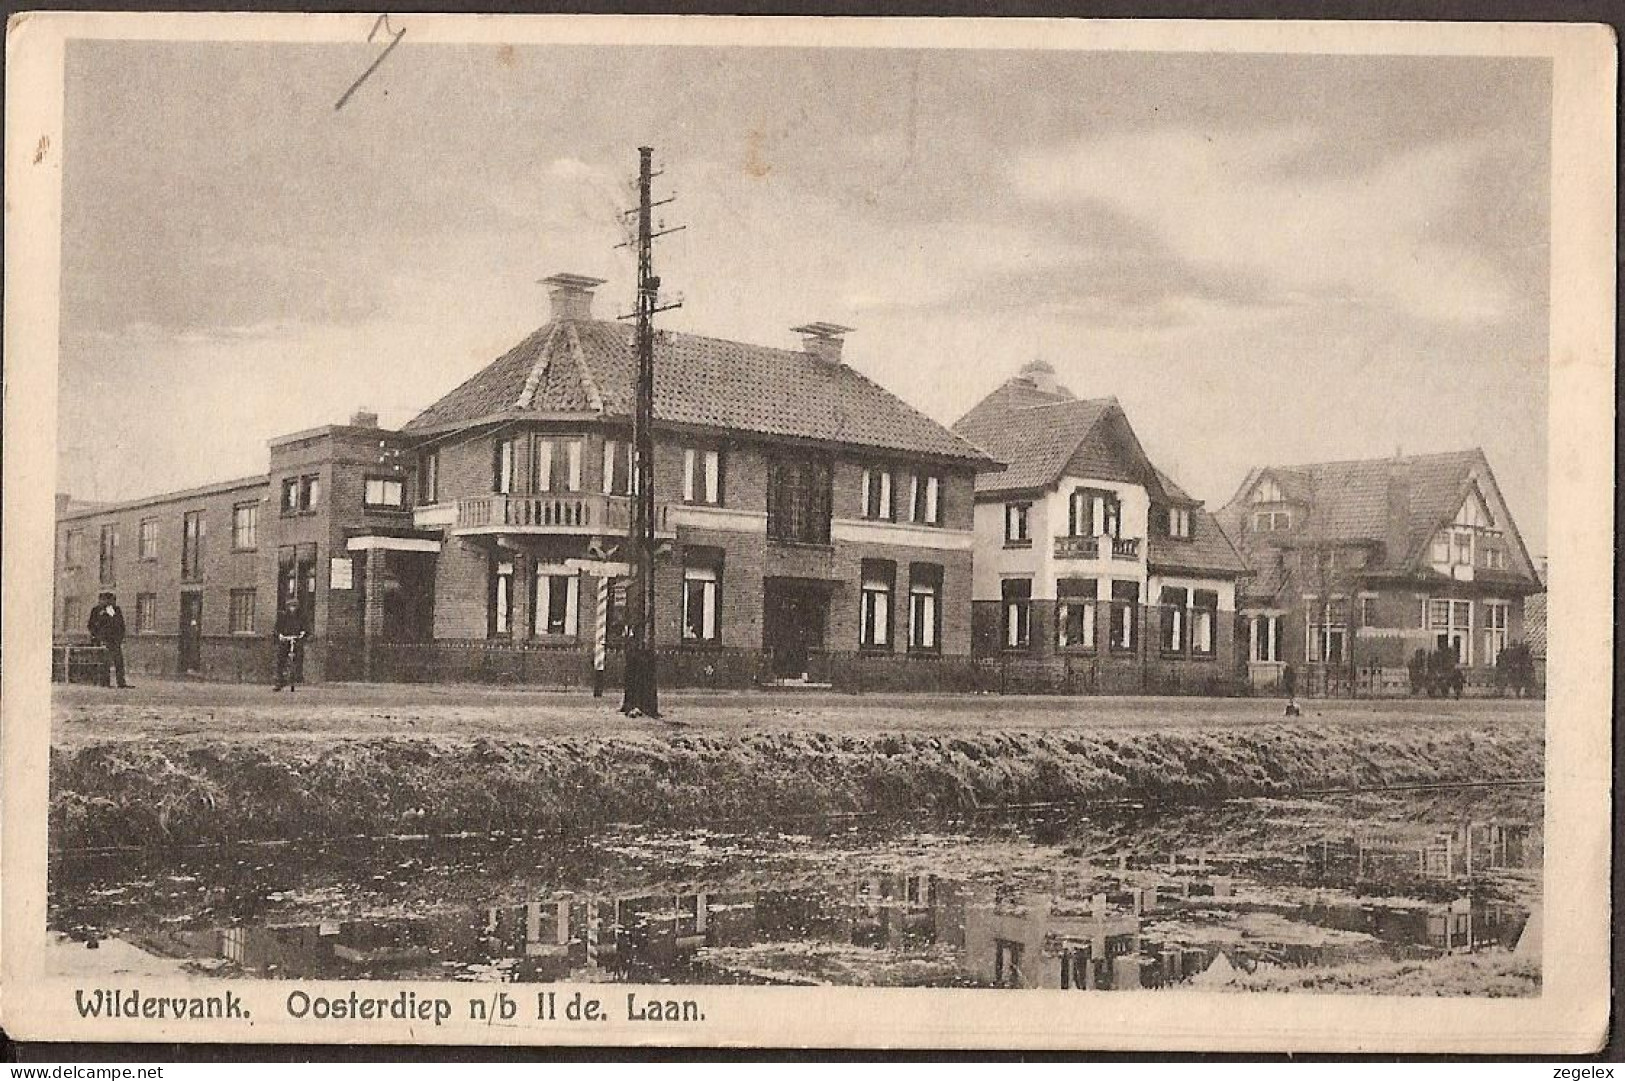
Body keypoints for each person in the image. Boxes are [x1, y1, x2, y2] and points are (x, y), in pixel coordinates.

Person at [86, 591, 131, 688]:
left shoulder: (115, 610)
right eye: (105, 600)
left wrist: (119, 638)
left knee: (118, 662)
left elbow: (120, 624)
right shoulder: (96, 610)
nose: (109, 602)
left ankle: (121, 682)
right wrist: (96, 636)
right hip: (102, 640)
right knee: (104, 662)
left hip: (114, 640)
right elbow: (90, 625)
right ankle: (105, 682)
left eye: (111, 600)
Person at [272, 598, 308, 691]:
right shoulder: (283, 616)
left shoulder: (301, 616)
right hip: (285, 639)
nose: (292, 609)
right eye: (291, 607)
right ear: (287, 607)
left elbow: (305, 627)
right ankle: (279, 681)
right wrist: (280, 635)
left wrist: (303, 632)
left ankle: (298, 675)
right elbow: (277, 628)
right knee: (281, 658)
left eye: (294, 606)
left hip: (296, 639)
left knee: (300, 654)